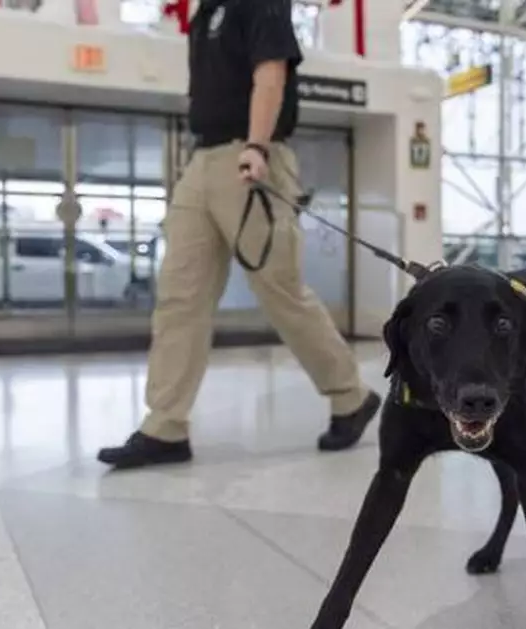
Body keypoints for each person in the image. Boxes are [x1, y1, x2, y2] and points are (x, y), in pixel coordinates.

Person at [98, 0, 380, 469]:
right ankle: (165, 425)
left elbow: (270, 74)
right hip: (202, 160)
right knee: (179, 295)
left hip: (250, 156)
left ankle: (350, 395)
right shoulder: (205, 12)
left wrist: (256, 145)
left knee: (279, 291)